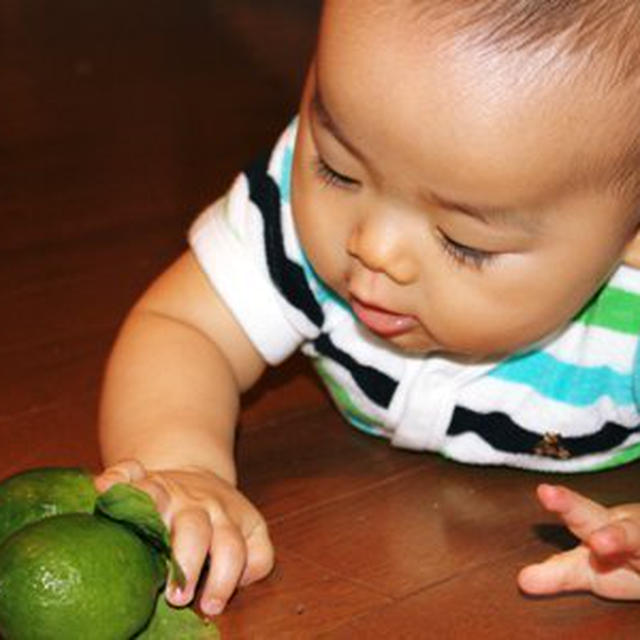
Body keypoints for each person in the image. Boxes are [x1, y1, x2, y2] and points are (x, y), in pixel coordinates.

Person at [95, 0, 640, 617]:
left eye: (465, 241)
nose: (373, 248)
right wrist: (183, 467)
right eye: (337, 169)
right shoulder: (294, 219)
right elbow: (186, 328)